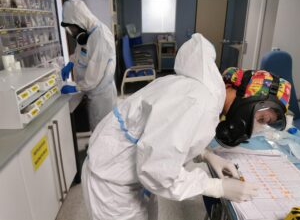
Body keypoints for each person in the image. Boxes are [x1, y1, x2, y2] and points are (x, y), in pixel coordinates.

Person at [81, 33, 291, 220]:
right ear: (249, 96)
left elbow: (167, 137)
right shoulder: (198, 101)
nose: (256, 127)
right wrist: (215, 187)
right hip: (112, 186)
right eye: (262, 119)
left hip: (127, 176)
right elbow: (157, 172)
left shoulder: (205, 93)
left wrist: (206, 154)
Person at [60, 0, 117, 130]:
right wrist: (71, 63)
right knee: (95, 126)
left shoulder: (101, 37)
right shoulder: (87, 32)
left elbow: (93, 77)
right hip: (91, 92)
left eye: (72, 27)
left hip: (101, 96)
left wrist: (76, 87)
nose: (72, 31)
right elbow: (81, 52)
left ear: (78, 20)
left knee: (102, 129)